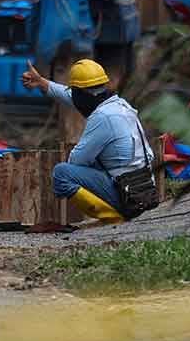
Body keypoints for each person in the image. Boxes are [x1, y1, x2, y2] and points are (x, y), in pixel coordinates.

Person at [21, 58, 154, 225]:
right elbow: (74, 97)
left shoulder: (102, 117)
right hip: (143, 189)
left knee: (62, 173)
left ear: (81, 94)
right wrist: (41, 82)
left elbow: (76, 161)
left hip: (127, 196)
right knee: (98, 160)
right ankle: (118, 213)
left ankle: (115, 219)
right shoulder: (119, 105)